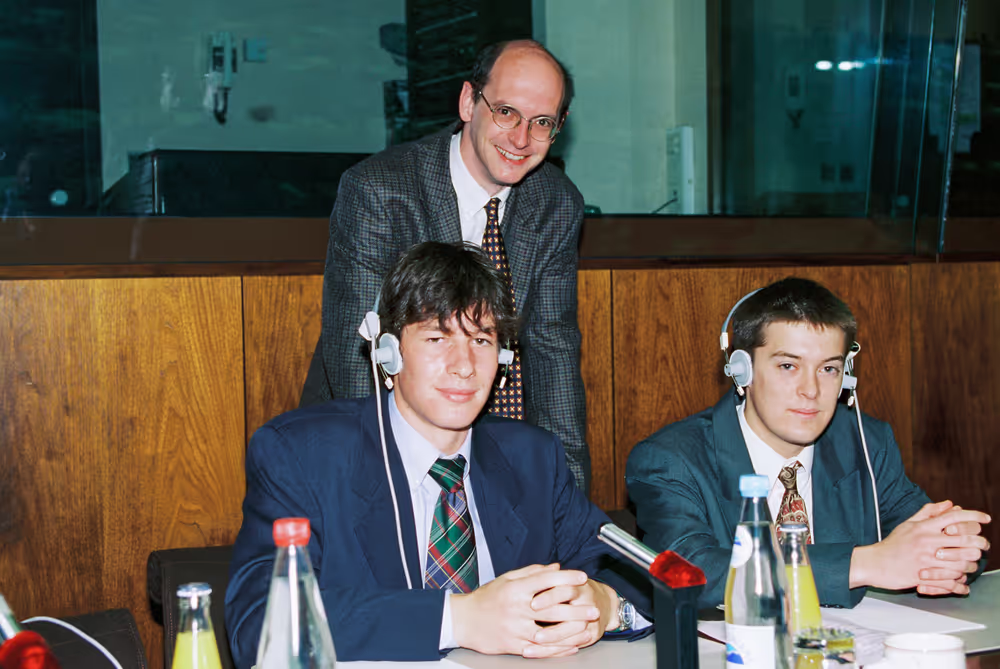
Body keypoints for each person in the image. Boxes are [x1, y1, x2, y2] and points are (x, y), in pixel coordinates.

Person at [227, 242, 651, 665]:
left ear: (502, 359)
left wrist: (605, 604)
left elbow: (643, 575)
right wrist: (459, 618)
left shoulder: (532, 457)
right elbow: (261, 623)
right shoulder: (302, 456)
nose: (464, 365)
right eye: (436, 337)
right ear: (388, 353)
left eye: (481, 341)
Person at [299, 39, 592, 494]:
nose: (520, 139)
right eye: (506, 112)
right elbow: (357, 356)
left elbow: (553, 351)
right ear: (468, 102)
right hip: (375, 440)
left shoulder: (556, 202)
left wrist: (568, 494)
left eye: (541, 123)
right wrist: (392, 487)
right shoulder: (379, 190)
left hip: (495, 442)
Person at [626, 277, 990, 609]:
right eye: (788, 366)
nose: (811, 390)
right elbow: (689, 573)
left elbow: (930, 539)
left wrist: (952, 553)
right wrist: (862, 565)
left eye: (828, 369)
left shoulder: (865, 441)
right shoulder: (670, 459)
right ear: (742, 370)